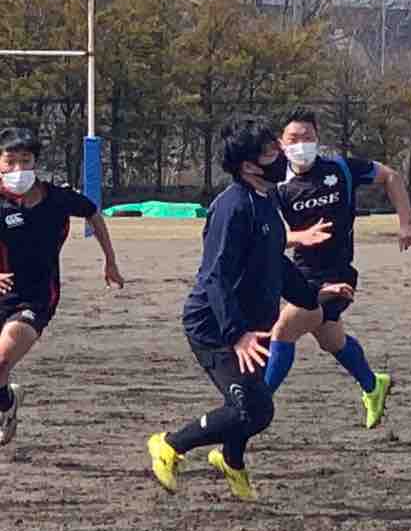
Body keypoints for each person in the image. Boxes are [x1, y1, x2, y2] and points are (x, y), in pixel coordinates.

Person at [146, 117, 351, 501]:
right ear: (248, 165)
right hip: (215, 328)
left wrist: (315, 295)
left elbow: (276, 262)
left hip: (253, 325)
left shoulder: (267, 200)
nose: (282, 155)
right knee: (251, 411)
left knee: (254, 406)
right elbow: (216, 277)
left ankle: (231, 461)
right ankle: (169, 445)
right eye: (271, 152)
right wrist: (236, 334)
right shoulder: (232, 207)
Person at [261, 107, 411, 429]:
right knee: (331, 340)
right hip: (301, 275)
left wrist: (406, 223)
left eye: (308, 137)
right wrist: (299, 237)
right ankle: (373, 385)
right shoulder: (277, 185)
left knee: (283, 330)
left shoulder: (341, 169)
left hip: (338, 276)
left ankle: (255, 407)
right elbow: (269, 236)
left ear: (318, 139)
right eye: (294, 138)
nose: (301, 144)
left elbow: (390, 176)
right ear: (281, 143)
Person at [0, 126, 125, 445]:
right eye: (10, 161)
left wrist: (109, 260)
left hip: (34, 298)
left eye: (25, 160)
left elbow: (93, 213)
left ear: (35, 162)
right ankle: (7, 402)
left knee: (2, 359)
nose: (17, 169)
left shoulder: (56, 198)